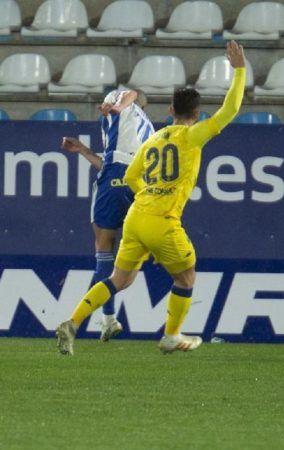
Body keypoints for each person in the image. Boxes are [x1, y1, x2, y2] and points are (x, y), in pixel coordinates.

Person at [56, 41, 247, 355]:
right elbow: (232, 109)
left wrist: (151, 191)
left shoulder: (154, 138)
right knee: (186, 278)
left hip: (136, 216)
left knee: (119, 278)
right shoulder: (193, 136)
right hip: (161, 219)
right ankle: (172, 335)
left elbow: (131, 177)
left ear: (170, 110)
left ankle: (72, 323)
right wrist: (239, 70)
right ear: (197, 115)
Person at [61, 88, 154, 342]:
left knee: (103, 249)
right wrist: (83, 150)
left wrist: (118, 104)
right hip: (139, 183)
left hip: (114, 178)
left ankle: (91, 320)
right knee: (128, 259)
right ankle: (109, 320)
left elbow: (132, 92)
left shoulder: (126, 108)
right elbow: (117, 160)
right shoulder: (149, 131)